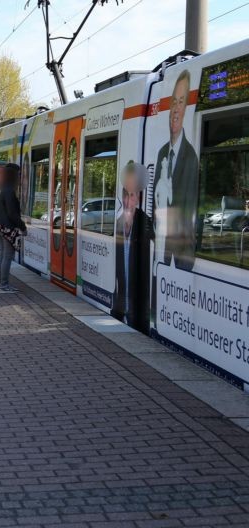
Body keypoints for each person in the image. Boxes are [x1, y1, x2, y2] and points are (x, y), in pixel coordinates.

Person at [153, 69, 199, 272]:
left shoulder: (191, 158)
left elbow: (189, 219)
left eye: (181, 102)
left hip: (179, 262)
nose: (176, 109)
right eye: (173, 102)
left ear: (187, 107)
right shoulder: (162, 152)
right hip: (161, 253)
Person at [113, 162, 154, 331]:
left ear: (138, 198)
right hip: (121, 298)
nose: (130, 200)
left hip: (139, 299)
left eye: (134, 195)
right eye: (127, 195)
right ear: (123, 198)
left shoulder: (145, 221)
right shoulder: (118, 223)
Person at [0, 163, 26, 294]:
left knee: (3, 254)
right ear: (14, 175)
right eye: (19, 174)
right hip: (7, 227)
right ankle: (4, 285)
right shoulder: (10, 190)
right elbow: (12, 213)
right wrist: (23, 227)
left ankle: (2, 282)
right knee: (8, 256)